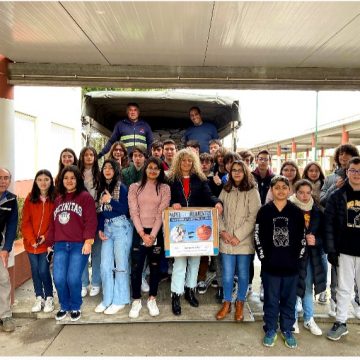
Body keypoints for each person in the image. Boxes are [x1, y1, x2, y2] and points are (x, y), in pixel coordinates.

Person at [168, 148, 223, 316]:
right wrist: (173, 203)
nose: (186, 163)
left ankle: (190, 290)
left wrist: (218, 202)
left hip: (197, 227)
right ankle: (176, 294)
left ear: (194, 163)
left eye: (190, 161)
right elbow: (167, 197)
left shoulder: (200, 179)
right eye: (183, 160)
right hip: (178, 227)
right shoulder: (170, 179)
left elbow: (209, 196)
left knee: (194, 261)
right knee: (179, 263)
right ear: (178, 161)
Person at [255, 175, 306, 349]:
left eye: (284, 187)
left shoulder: (296, 212)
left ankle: (287, 329)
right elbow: (257, 236)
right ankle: (270, 328)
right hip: (270, 267)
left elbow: (302, 238)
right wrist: (264, 258)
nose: (281, 190)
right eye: (277, 187)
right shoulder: (264, 211)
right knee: (271, 300)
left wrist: (297, 258)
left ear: (289, 190)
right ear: (271, 190)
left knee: (289, 300)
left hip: (291, 267)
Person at [45, 165, 97, 322]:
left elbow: (91, 221)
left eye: (72, 178)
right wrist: (49, 243)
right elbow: (52, 223)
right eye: (66, 178)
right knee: (59, 278)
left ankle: (75, 306)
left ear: (78, 179)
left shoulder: (85, 197)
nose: (69, 181)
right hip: (60, 245)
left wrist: (88, 241)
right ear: (62, 180)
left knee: (73, 278)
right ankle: (64, 306)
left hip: (78, 245)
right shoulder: (58, 199)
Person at [216, 160, 261, 322]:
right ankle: (227, 302)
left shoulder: (252, 191)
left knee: (243, 275)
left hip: (244, 241)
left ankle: (240, 302)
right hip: (226, 240)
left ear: (245, 172)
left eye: (240, 170)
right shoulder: (225, 189)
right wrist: (222, 232)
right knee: (227, 275)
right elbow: (218, 212)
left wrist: (238, 236)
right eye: (233, 170)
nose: (236, 173)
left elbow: (254, 216)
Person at [320, 144, 360, 318]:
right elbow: (324, 207)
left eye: (359, 171)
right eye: (352, 171)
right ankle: (338, 311)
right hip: (342, 243)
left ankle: (357, 303)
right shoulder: (334, 185)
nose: (355, 174)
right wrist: (334, 187)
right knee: (340, 281)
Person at [128, 157, 171, 318]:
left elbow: (162, 212)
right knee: (137, 267)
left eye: (156, 168)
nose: (153, 171)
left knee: (154, 267)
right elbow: (134, 211)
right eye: (150, 167)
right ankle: (137, 300)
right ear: (145, 169)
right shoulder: (135, 187)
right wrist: (142, 234)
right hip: (139, 231)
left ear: (160, 171)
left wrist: (152, 235)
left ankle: (152, 298)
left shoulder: (165, 188)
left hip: (156, 232)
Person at [94, 159, 133, 315]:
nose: (107, 170)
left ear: (116, 170)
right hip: (108, 228)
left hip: (121, 227)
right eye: (105, 168)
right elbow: (102, 211)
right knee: (105, 265)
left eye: (111, 168)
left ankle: (120, 299)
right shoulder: (102, 189)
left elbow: (126, 210)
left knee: (121, 265)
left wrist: (111, 201)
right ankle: (107, 299)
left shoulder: (122, 188)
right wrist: (100, 228)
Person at [289, 179, 326, 336]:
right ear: (295, 192)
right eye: (301, 192)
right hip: (291, 256)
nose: (304, 196)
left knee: (308, 288)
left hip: (310, 256)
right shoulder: (288, 208)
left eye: (308, 192)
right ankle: (292, 319)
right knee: (292, 288)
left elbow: (325, 235)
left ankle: (309, 318)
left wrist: (316, 240)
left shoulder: (317, 210)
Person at [21, 169, 56, 313]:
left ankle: (49, 297)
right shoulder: (30, 198)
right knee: (35, 271)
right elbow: (25, 221)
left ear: (51, 181)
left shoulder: (55, 198)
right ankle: (39, 297)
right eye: (40, 179)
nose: (43, 182)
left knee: (43, 270)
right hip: (31, 244)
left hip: (46, 244)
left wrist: (46, 237)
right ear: (35, 181)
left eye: (46, 179)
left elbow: (55, 222)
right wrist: (31, 239)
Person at [197, 153, 223, 296]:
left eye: (208, 162)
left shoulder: (216, 179)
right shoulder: (196, 178)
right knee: (202, 253)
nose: (205, 164)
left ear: (212, 164)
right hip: (199, 220)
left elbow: (219, 198)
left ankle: (217, 280)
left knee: (215, 253)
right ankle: (201, 278)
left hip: (214, 219)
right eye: (202, 161)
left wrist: (219, 184)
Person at [302, 161, 327, 304]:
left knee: (321, 259)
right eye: (310, 170)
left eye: (316, 170)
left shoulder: (324, 184)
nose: (313, 173)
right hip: (307, 224)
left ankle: (322, 290)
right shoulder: (301, 184)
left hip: (319, 221)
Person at [78, 146, 102, 298]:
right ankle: (83, 283)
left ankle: (96, 283)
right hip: (80, 216)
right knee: (82, 251)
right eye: (86, 155)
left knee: (97, 251)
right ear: (81, 157)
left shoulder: (99, 174)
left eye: (91, 155)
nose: (88, 157)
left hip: (98, 214)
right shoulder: (77, 174)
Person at [252, 150, 275, 301]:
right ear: (256, 160)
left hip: (267, 220)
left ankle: (263, 284)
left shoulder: (274, 178)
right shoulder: (250, 176)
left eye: (266, 159)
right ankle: (247, 283)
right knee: (248, 254)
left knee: (265, 254)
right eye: (260, 159)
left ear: (269, 161)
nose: (263, 162)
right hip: (251, 218)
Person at [0, 168, 18, 332]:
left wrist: (6, 248)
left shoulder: (11, 199)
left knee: (3, 279)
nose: (3, 181)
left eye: (6, 178)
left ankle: (5, 316)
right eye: (0, 178)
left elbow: (12, 226)